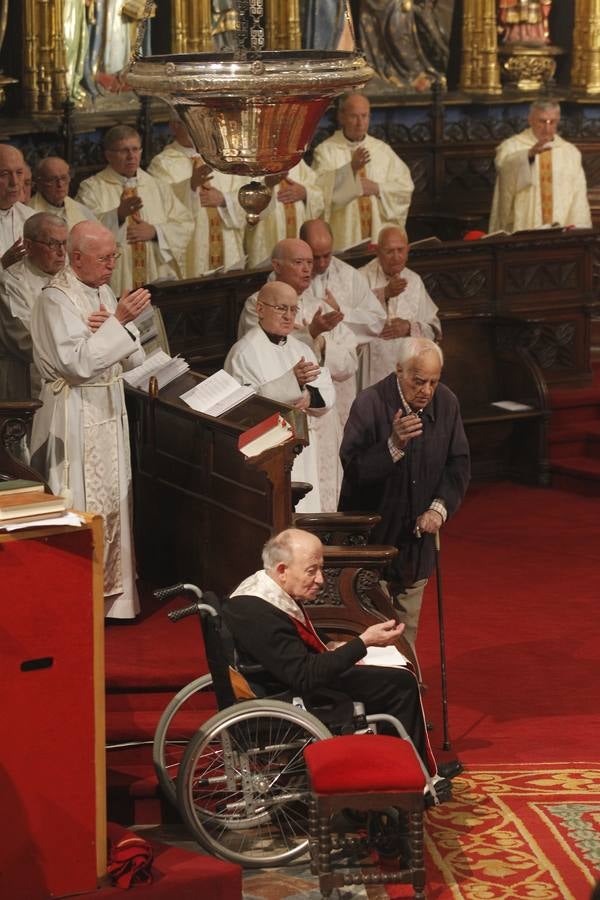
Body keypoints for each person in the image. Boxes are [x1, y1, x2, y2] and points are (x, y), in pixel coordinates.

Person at [224, 527, 443, 783]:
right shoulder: (256, 611)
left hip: (287, 681)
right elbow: (304, 675)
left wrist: (335, 646)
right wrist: (362, 642)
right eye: (311, 571)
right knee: (399, 684)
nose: (320, 580)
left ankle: (411, 770)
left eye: (320, 568)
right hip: (285, 698)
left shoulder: (265, 588)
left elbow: (296, 644)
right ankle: (410, 778)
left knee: (395, 677)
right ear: (282, 570)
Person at [30, 221, 151, 620]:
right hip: (75, 414)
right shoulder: (55, 298)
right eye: (104, 258)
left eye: (114, 256)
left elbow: (126, 352)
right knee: (81, 499)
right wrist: (116, 323)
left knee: (116, 498)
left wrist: (120, 325)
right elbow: (77, 363)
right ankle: (78, 602)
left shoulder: (100, 289)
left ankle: (115, 603)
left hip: (108, 407)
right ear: (75, 257)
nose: (112, 265)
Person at [339, 337, 470, 662]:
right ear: (399, 371)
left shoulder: (447, 403)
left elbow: (459, 463)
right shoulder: (369, 404)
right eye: (418, 380)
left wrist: (439, 509)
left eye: (434, 381)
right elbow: (354, 470)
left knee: (406, 632)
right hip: (373, 542)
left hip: (417, 543)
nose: (426, 390)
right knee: (374, 633)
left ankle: (406, 693)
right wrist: (393, 445)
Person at [225, 281, 336, 514]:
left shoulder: (301, 348)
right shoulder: (243, 352)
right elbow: (244, 405)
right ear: (260, 309)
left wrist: (307, 396)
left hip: (302, 448)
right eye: (281, 308)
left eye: (293, 309)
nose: (288, 316)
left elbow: (325, 389)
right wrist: (291, 383)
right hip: (267, 453)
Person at [76, 125, 193, 295]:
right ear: (108, 155)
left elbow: (185, 222)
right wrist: (118, 216)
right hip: (117, 279)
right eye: (123, 151)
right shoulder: (92, 188)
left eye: (135, 149)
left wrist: (155, 231)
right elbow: (83, 233)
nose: (131, 156)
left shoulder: (157, 186)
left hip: (154, 277)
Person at [311, 93, 414, 251]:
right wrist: (350, 169)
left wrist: (378, 189)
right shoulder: (326, 151)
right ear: (341, 117)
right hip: (344, 237)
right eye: (354, 116)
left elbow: (405, 187)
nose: (360, 123)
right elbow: (318, 192)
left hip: (379, 238)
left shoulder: (381, 150)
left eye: (364, 116)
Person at [148, 118, 247, 277]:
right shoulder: (162, 163)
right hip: (191, 252)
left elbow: (244, 191)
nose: (197, 128)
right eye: (190, 122)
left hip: (228, 250)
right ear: (174, 126)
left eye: (201, 122)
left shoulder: (223, 157)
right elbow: (160, 205)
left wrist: (223, 200)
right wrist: (190, 188)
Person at [489, 99, 592, 234]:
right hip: (523, 228)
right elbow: (504, 171)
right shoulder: (511, 146)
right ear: (530, 120)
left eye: (552, 122)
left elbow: (578, 196)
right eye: (542, 121)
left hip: (561, 231)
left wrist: (578, 230)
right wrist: (529, 156)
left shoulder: (570, 152)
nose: (547, 128)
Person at [359, 226, 441, 388]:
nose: (396, 257)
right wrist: (384, 293)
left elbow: (434, 328)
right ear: (378, 251)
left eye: (400, 250)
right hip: (372, 372)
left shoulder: (414, 281)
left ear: (408, 250)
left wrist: (409, 327)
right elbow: (350, 320)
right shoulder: (360, 277)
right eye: (389, 251)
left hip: (409, 372)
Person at [0, 212, 68, 401]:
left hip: (67, 381)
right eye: (53, 244)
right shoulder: (11, 282)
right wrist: (75, 351)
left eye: (65, 243)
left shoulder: (71, 276)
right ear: (28, 246)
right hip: (25, 383)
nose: (62, 252)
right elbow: (24, 340)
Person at [245, 161, 324, 270]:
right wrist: (267, 185)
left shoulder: (295, 159)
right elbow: (241, 203)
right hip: (266, 240)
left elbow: (319, 191)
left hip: (298, 234)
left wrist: (305, 192)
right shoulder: (253, 158)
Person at [29, 157, 98, 228]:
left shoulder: (81, 210)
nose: (60, 184)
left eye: (64, 178)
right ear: (39, 183)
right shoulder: (30, 213)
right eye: (52, 179)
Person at [0, 144, 34, 270]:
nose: (14, 182)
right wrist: (2, 264)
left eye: (19, 173)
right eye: (4, 174)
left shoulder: (30, 217)